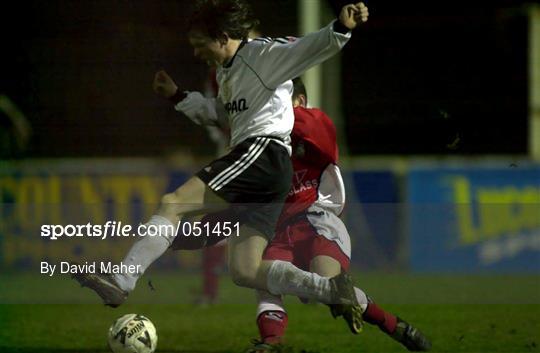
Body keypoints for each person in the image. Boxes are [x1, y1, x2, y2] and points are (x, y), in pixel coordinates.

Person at [72, 0, 369, 333]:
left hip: (259, 153)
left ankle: (122, 280)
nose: (198, 54)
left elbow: (307, 48)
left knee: (174, 203)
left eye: (201, 45)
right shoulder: (226, 72)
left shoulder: (261, 53)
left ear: (223, 36)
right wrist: (177, 96)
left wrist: (341, 28)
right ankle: (331, 289)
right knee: (245, 270)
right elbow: (219, 114)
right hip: (268, 170)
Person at [248, 78, 431, 352]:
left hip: (318, 222)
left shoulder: (316, 124)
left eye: (276, 100)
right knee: (264, 280)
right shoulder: (266, 143)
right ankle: (270, 344)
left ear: (298, 101)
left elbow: (307, 126)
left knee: (329, 285)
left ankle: (393, 325)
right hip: (280, 230)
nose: (268, 107)